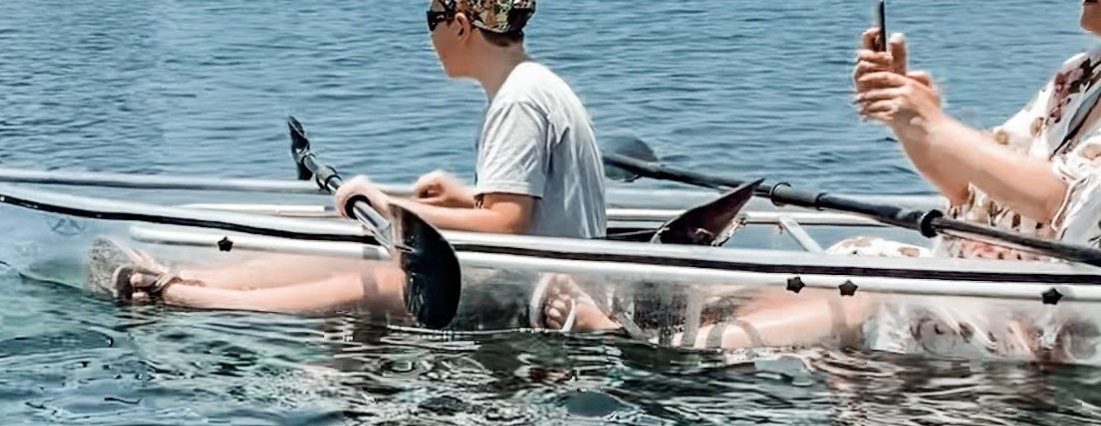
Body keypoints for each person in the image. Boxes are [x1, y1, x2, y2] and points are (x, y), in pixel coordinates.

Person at [556, 4, 1101, 359]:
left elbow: (1063, 200)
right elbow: (974, 195)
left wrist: (937, 125)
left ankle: (679, 350)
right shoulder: (1080, 74)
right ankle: (672, 310)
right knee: (852, 253)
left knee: (878, 287)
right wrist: (912, 124)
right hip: (991, 285)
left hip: (1055, 319)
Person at [87, 0, 606, 321]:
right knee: (344, 251)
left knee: (362, 279)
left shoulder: (516, 100)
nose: (429, 36)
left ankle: (182, 298)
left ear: (463, 25)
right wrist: (463, 198)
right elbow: (517, 206)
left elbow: (507, 225)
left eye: (431, 17)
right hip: (542, 268)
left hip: (534, 288)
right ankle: (193, 279)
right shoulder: (536, 84)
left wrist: (390, 203)